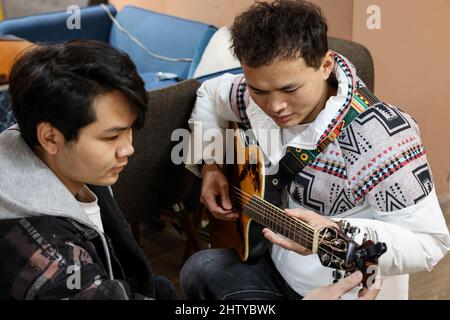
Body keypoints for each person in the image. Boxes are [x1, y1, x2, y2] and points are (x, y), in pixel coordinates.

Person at [180, 0, 450, 300]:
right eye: (260, 91)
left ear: (325, 65)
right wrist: (212, 165)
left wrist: (335, 232)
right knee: (199, 270)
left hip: (342, 290)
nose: (275, 106)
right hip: (275, 262)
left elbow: (429, 243)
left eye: (291, 89)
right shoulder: (250, 95)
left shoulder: (379, 135)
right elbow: (207, 94)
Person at [0, 40, 177, 300]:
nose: (127, 149)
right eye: (111, 137)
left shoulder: (60, 157)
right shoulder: (55, 264)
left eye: (129, 130)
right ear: (50, 138)